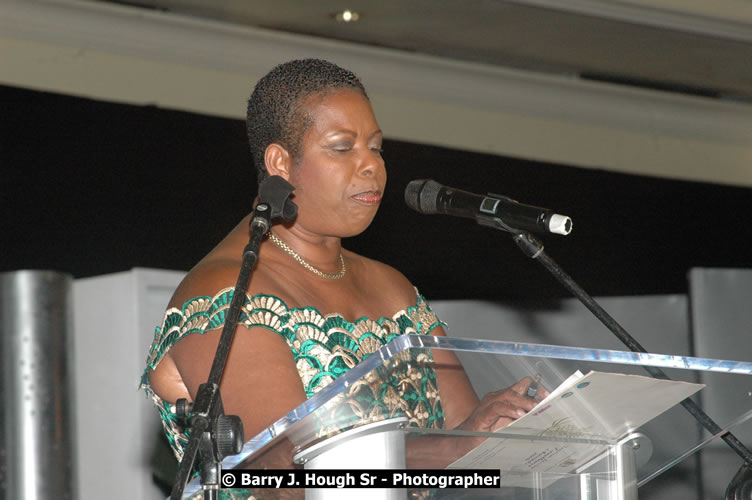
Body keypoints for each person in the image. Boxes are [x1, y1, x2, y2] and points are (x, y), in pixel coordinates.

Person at [141, 59, 544, 497]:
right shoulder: (227, 291)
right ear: (280, 162)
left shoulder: (393, 289)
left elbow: (471, 453)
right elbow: (281, 477)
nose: (371, 165)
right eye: (342, 147)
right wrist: (447, 449)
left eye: (376, 147)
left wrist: (509, 425)